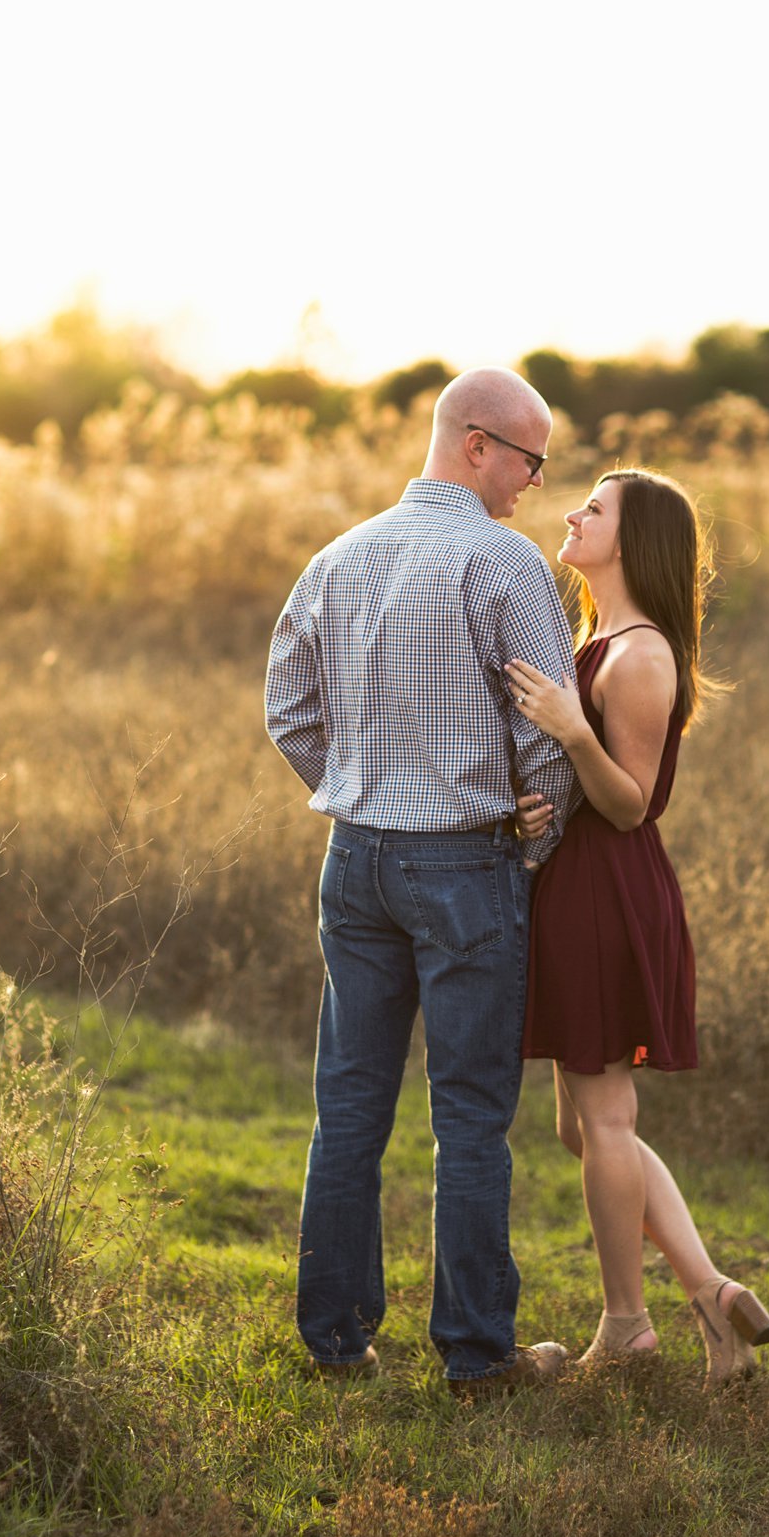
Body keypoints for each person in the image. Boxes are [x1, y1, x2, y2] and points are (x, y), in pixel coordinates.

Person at [264, 368, 579, 1393]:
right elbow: (550, 729)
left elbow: (289, 709)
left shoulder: (339, 556)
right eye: (531, 458)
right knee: (472, 1114)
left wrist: (353, 783)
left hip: (353, 858)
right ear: (478, 444)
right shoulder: (505, 563)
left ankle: (335, 1337)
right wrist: (533, 832)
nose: (538, 479)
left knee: (349, 1103)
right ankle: (478, 1353)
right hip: (462, 861)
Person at [507, 467, 769, 1388]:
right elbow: (588, 799)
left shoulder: (640, 656)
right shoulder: (601, 636)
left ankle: (626, 1327)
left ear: (633, 541)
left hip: (606, 894)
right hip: (583, 884)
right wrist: (536, 805)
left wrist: (570, 733)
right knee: (585, 1130)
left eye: (594, 508)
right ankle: (709, 1293)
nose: (573, 515)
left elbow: (627, 806)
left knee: (605, 1119)